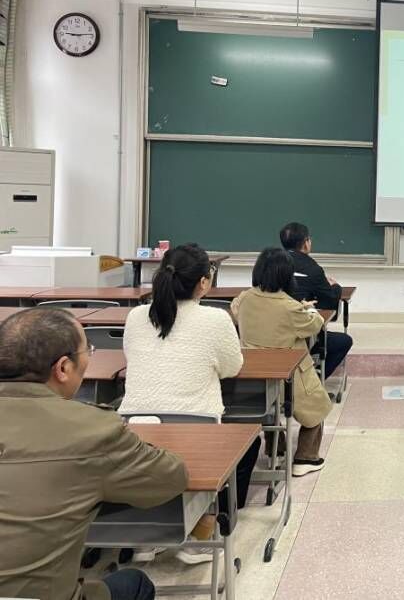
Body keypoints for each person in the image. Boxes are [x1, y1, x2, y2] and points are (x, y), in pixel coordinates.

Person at [0, 307, 188, 600]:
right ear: (63, 368)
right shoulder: (91, 430)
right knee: (135, 584)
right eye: (87, 350)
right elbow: (171, 477)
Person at [120, 243, 260, 564]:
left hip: (134, 432)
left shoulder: (136, 316)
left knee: (159, 452)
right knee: (248, 441)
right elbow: (232, 367)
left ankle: (145, 538)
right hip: (197, 432)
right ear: (203, 283)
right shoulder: (215, 319)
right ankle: (200, 534)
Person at [232, 247, 333, 477]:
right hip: (290, 376)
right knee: (318, 407)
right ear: (287, 276)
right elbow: (316, 324)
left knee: (270, 409)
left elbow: (235, 310)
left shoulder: (245, 298)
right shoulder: (290, 307)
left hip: (253, 376)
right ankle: (306, 457)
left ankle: (275, 447)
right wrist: (309, 309)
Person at [280, 222, 354, 380]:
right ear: (305, 243)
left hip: (272, 333)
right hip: (300, 335)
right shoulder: (312, 269)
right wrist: (335, 286)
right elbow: (330, 299)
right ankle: (314, 381)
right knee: (344, 341)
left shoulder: (271, 265)